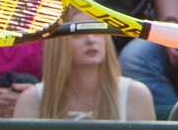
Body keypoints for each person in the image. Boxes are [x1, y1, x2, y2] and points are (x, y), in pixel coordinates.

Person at [11, 25, 154, 122]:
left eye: (97, 30)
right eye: (78, 34)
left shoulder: (136, 95)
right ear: (58, 44)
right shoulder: (31, 101)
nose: (91, 39)